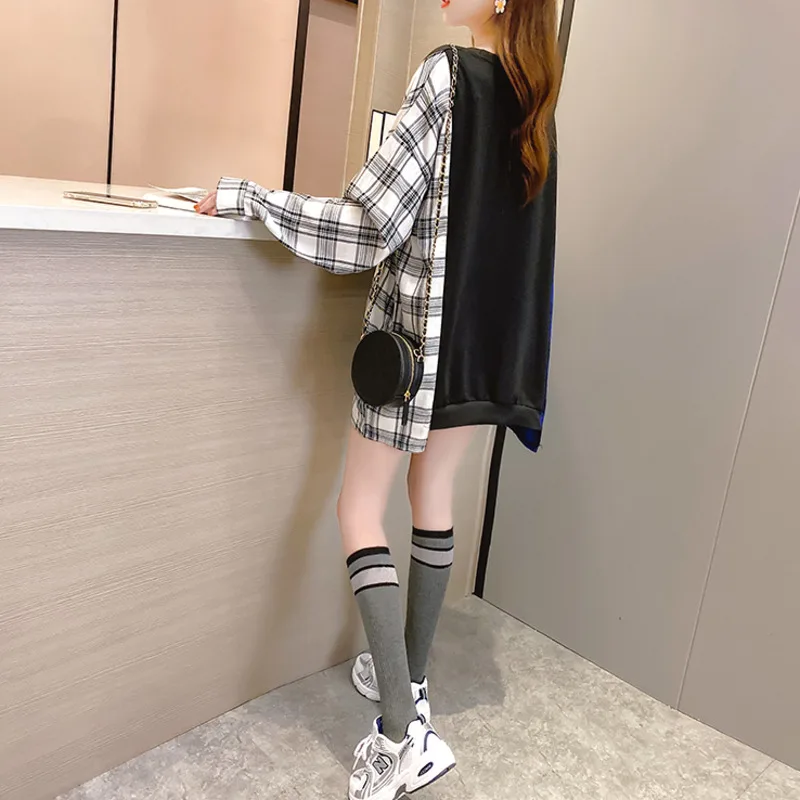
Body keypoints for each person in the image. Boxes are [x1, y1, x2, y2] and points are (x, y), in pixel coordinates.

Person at [198, 0, 561, 797]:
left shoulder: (447, 77)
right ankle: (411, 684)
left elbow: (369, 228)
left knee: (357, 509)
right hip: (479, 359)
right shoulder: (533, 101)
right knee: (433, 497)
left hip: (413, 350)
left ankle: (402, 738)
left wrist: (251, 198)